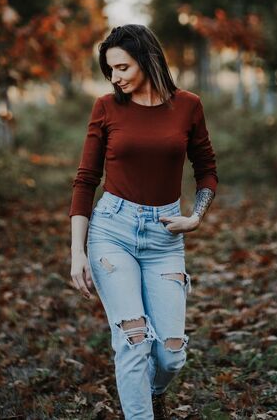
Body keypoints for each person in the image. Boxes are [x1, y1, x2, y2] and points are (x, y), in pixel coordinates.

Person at [69, 24, 218, 420]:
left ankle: (150, 392)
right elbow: (86, 180)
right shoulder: (106, 107)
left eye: (121, 67)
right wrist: (76, 253)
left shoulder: (188, 106)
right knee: (133, 341)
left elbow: (206, 169)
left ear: (147, 60)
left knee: (171, 355)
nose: (114, 78)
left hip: (165, 238)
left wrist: (195, 218)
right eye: (110, 71)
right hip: (112, 231)